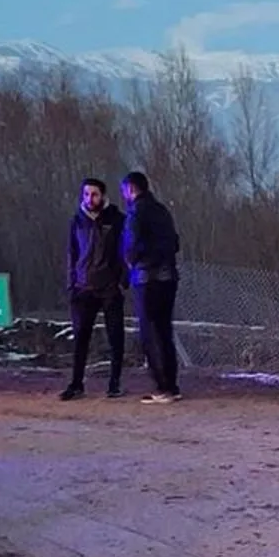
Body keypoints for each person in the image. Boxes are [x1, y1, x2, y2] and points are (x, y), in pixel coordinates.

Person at [61, 178, 128, 401]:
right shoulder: (76, 221)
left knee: (115, 337)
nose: (90, 199)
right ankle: (76, 383)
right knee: (81, 338)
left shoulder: (117, 219)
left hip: (110, 287)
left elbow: (125, 252)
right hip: (83, 287)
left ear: (103, 195)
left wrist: (122, 281)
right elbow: (71, 253)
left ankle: (114, 383)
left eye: (94, 194)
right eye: (86, 194)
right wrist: (71, 284)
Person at [120, 171, 182, 404]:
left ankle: (162, 386)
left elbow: (131, 243)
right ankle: (172, 385)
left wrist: (131, 260)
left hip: (147, 277)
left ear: (130, 189)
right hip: (168, 276)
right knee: (165, 331)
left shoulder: (136, 212)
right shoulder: (162, 211)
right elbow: (175, 242)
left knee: (150, 333)